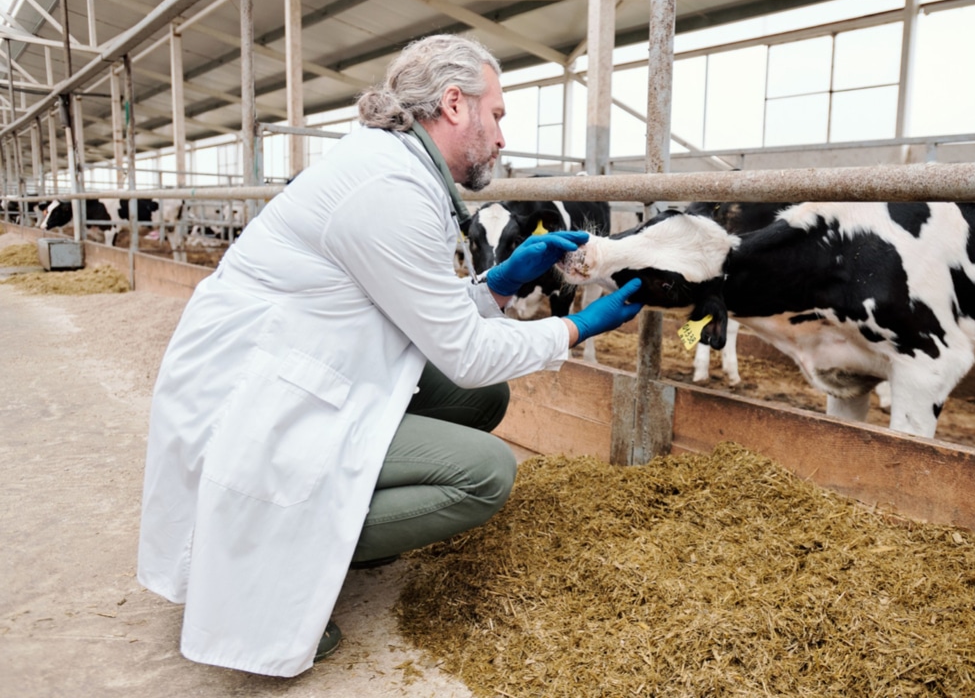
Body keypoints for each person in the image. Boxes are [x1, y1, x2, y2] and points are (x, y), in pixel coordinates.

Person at [136, 34, 644, 677]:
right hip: (256, 400)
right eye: (498, 116)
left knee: (482, 400)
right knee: (486, 473)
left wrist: (500, 284)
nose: (502, 137)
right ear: (454, 105)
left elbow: (422, 313)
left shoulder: (400, 170)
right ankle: (290, 563)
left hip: (310, 366)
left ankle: (343, 529)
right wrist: (577, 330)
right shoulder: (388, 188)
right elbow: (462, 350)